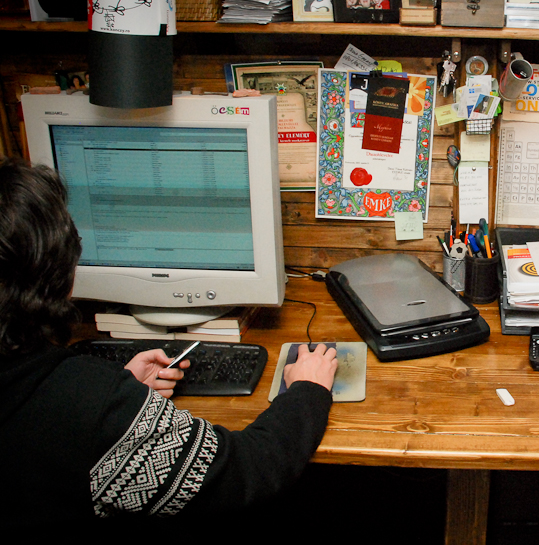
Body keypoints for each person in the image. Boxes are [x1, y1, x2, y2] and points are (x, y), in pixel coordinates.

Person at [0, 158, 339, 527]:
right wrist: (308, 389)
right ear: (57, 272)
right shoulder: (82, 407)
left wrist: (118, 393)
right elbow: (249, 469)